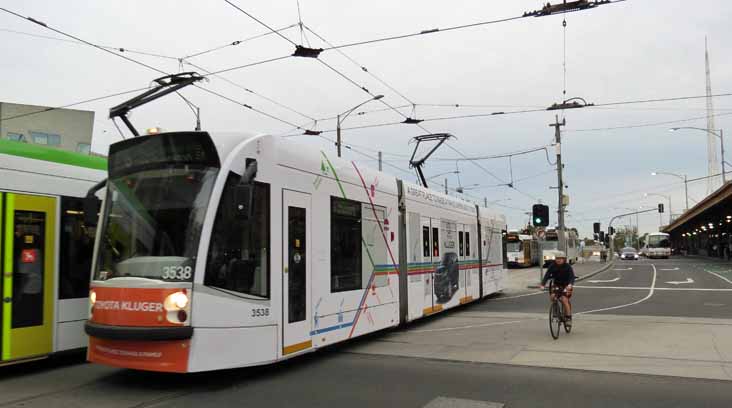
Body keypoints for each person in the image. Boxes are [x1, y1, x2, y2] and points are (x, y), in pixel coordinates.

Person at [540, 251, 576, 325]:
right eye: (557, 258)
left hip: (566, 285)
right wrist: (542, 284)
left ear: (564, 259)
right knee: (553, 297)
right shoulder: (552, 266)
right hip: (557, 285)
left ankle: (568, 318)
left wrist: (570, 284)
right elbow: (546, 276)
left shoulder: (568, 266)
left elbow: (572, 277)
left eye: (560, 258)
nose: (558, 260)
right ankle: (555, 312)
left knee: (564, 299)